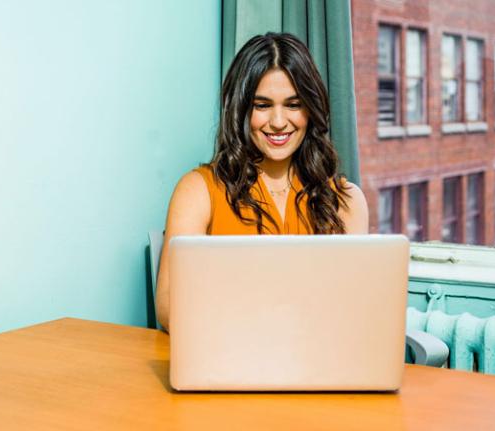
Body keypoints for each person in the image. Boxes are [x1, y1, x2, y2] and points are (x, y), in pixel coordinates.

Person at [155, 33, 369, 332]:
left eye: (294, 104)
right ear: (242, 109)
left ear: (311, 109)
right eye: (262, 105)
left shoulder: (346, 200)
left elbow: (354, 309)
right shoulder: (197, 191)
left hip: (318, 364)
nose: (279, 121)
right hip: (227, 358)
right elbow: (169, 309)